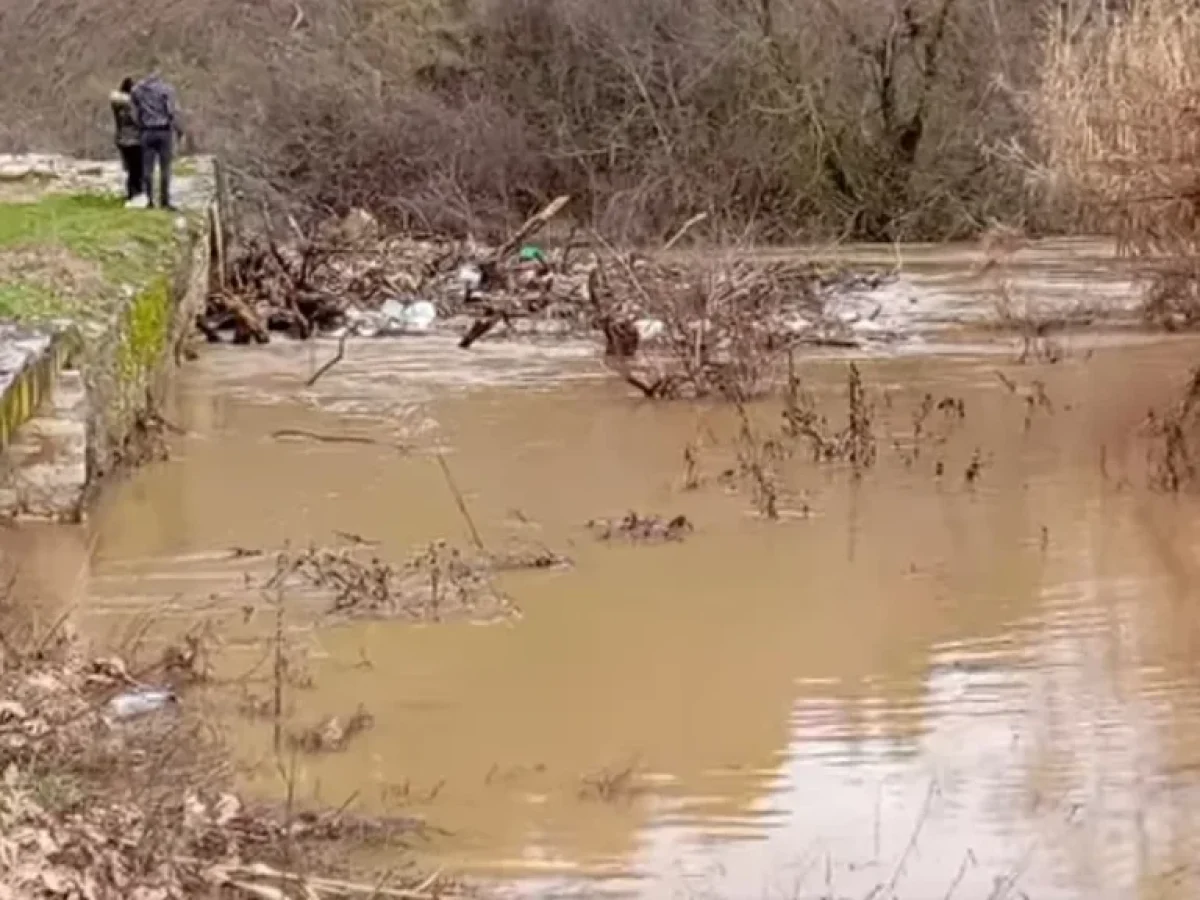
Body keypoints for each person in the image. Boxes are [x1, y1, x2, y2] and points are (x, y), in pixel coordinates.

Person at [130, 70, 183, 210]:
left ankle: (150, 201)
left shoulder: (137, 91)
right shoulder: (166, 90)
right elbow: (172, 111)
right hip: (164, 130)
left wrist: (140, 125)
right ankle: (165, 201)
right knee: (165, 168)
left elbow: (134, 112)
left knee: (147, 169)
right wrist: (179, 130)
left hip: (146, 131)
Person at [110, 77, 143, 204]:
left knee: (130, 168)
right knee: (138, 169)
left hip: (121, 139)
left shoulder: (117, 105)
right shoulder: (132, 106)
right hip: (134, 139)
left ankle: (131, 192)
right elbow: (136, 121)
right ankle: (137, 193)